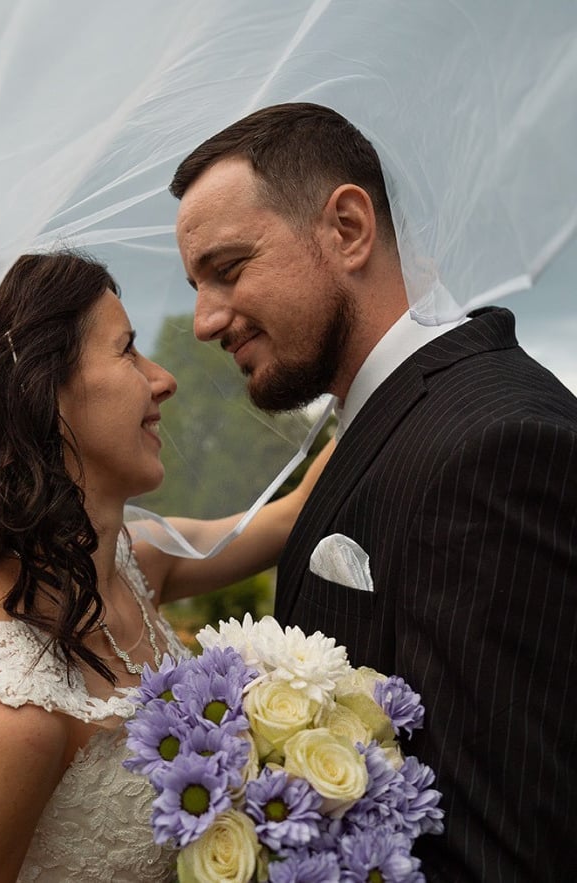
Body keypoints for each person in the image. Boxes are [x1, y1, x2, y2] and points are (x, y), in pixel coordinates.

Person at [170, 102, 577, 882]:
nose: (203, 320)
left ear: (348, 228)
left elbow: (502, 849)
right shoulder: (388, 424)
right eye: (194, 284)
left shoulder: (494, 448)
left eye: (227, 269)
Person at [0, 251, 333, 883]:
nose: (163, 379)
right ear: (42, 393)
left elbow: (288, 519)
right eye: (127, 350)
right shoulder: (6, 706)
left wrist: (381, 364)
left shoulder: (131, 563)